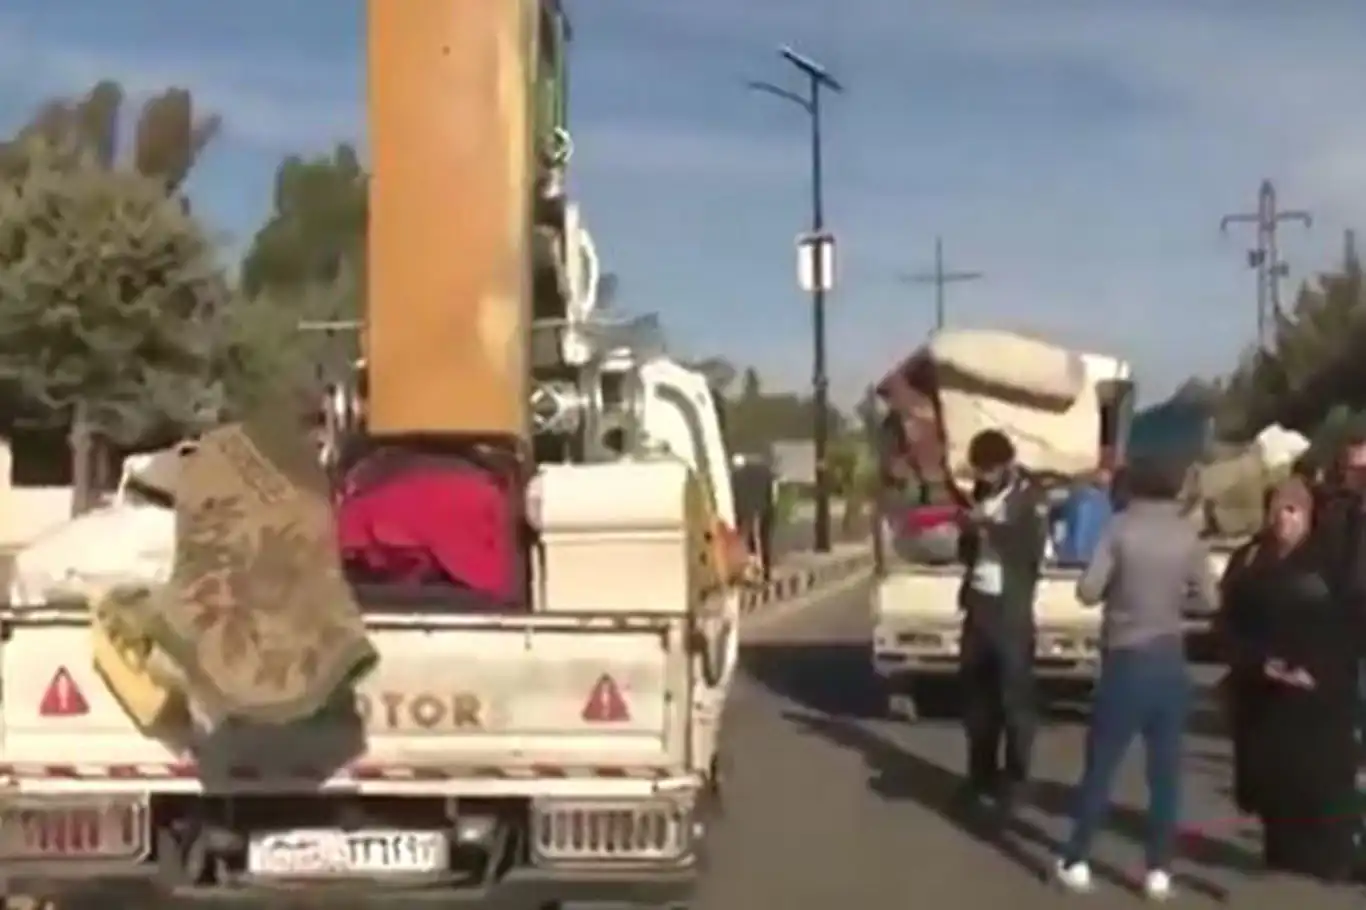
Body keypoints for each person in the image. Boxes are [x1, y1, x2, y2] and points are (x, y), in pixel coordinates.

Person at [1054, 456, 1217, 900]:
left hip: (1125, 657)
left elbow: (1088, 590)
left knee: (1101, 766)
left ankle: (1078, 858)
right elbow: (1211, 598)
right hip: (1169, 658)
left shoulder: (1119, 529)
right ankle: (1158, 870)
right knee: (1164, 773)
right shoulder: (1187, 536)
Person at [1217, 476, 1360, 883]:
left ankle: (1332, 857)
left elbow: (1347, 624)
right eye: (1278, 509)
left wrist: (1317, 669)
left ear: (1309, 516)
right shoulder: (1249, 561)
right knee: (1271, 775)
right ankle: (1281, 849)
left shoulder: (1330, 564)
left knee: (1322, 778)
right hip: (1265, 691)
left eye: (1292, 510)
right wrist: (1259, 663)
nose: (1283, 520)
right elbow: (1229, 623)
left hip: (1320, 691)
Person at [955, 429, 1047, 815]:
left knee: (1015, 701)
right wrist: (968, 532)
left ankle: (1016, 779)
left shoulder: (1030, 498)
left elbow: (1028, 549)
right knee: (978, 702)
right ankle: (979, 778)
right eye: (980, 473)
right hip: (979, 606)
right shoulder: (980, 494)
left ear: (1006, 465)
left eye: (990, 472)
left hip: (1011, 610)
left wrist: (987, 527)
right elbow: (968, 550)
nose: (985, 479)